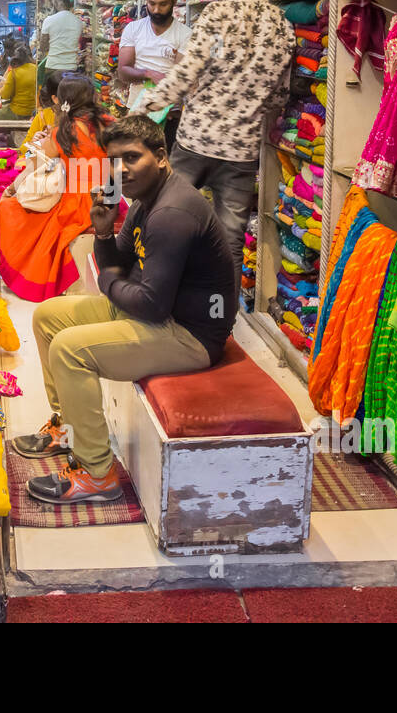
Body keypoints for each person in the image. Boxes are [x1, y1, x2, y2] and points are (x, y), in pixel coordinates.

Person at [13, 115, 238, 504]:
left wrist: (108, 282)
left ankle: (97, 475)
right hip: (158, 314)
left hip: (189, 336)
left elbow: (147, 303)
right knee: (48, 316)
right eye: (114, 161)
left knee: (70, 349)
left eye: (132, 158)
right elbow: (120, 261)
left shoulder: (172, 213)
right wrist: (103, 232)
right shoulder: (145, 198)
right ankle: (67, 428)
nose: (121, 170)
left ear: (162, 157)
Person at [139, 0, 295, 251]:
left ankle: (159, 292)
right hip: (242, 151)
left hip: (198, 139)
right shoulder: (281, 21)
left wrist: (143, 107)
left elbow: (186, 74)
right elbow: (280, 94)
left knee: (166, 215)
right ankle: (223, 303)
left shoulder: (217, 12)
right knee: (229, 239)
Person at [0, 77, 107, 303]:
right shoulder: (109, 124)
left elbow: (33, 161)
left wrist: (33, 148)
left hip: (76, 203)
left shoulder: (64, 132)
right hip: (107, 196)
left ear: (62, 101)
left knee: (9, 209)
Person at [117, 0, 192, 152]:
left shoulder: (185, 34)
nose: (156, 9)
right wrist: (148, 74)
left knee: (162, 164)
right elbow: (123, 72)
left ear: (174, 1)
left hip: (170, 114)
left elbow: (181, 79)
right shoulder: (133, 29)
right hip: (137, 110)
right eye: (152, 4)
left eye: (163, 4)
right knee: (131, 162)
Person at [0, 43, 38, 121]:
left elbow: (5, 95)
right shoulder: (36, 69)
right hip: (33, 111)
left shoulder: (14, 72)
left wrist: (4, 87)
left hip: (17, 112)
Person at [38, 0, 83, 74]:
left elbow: (43, 47)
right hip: (71, 68)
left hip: (53, 66)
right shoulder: (78, 22)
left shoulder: (49, 20)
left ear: (55, 2)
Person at [22, 69, 66, 152]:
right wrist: (33, 143)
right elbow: (24, 152)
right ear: (55, 99)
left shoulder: (79, 120)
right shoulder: (43, 116)